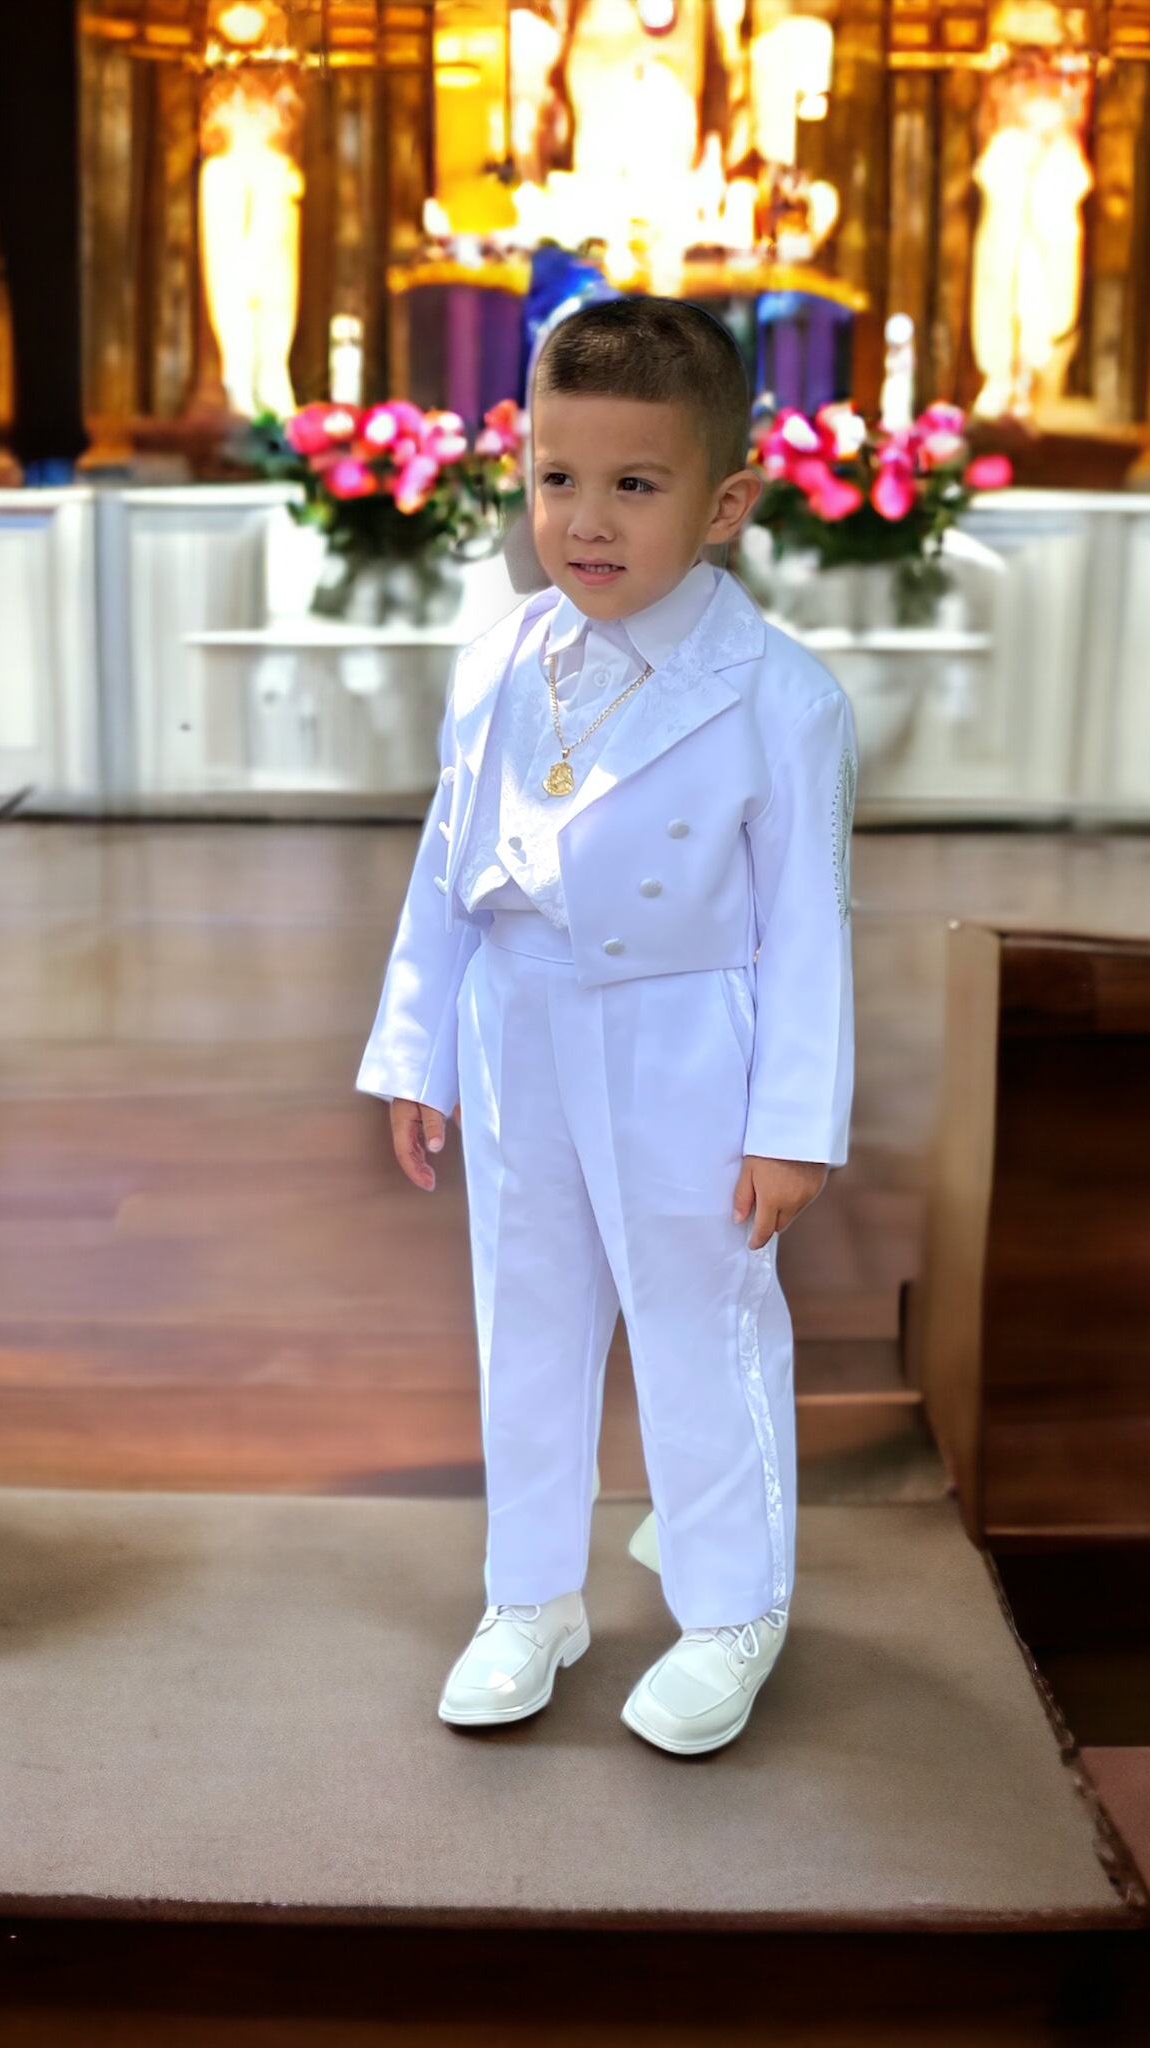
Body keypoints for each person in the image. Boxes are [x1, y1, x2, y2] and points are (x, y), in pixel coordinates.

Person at [356, 297, 856, 1757]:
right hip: (518, 1025)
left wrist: (791, 1125)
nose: (586, 521)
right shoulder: (503, 654)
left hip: (685, 1039)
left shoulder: (780, 695)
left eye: (635, 485)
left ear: (724, 504)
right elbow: (449, 863)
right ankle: (532, 1595)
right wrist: (419, 1054)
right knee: (529, 1316)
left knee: (701, 1322)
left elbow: (808, 930)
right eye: (556, 478)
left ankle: (731, 1609)